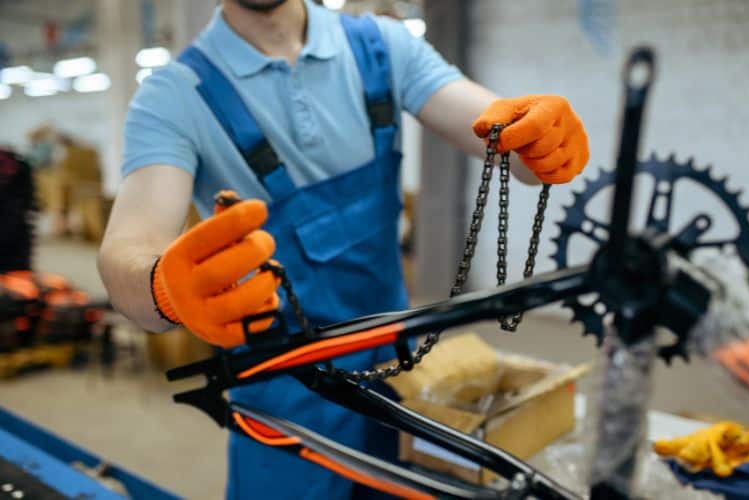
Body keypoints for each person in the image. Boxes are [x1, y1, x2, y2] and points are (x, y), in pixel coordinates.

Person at [98, 0, 590, 498]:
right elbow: (128, 249)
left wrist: (538, 138)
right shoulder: (175, 96)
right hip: (284, 405)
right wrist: (159, 286)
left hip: (397, 384)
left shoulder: (383, 49)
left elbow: (501, 136)